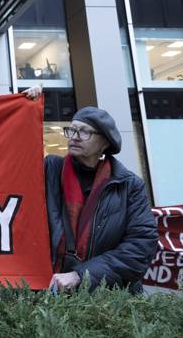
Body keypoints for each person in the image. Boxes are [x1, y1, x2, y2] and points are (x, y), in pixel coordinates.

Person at [25, 86, 158, 293]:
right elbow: (14, 166)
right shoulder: (49, 170)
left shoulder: (129, 185)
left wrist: (82, 275)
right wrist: (26, 109)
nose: (75, 136)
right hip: (49, 294)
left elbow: (141, 246)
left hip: (107, 303)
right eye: (72, 130)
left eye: (85, 132)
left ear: (105, 143)